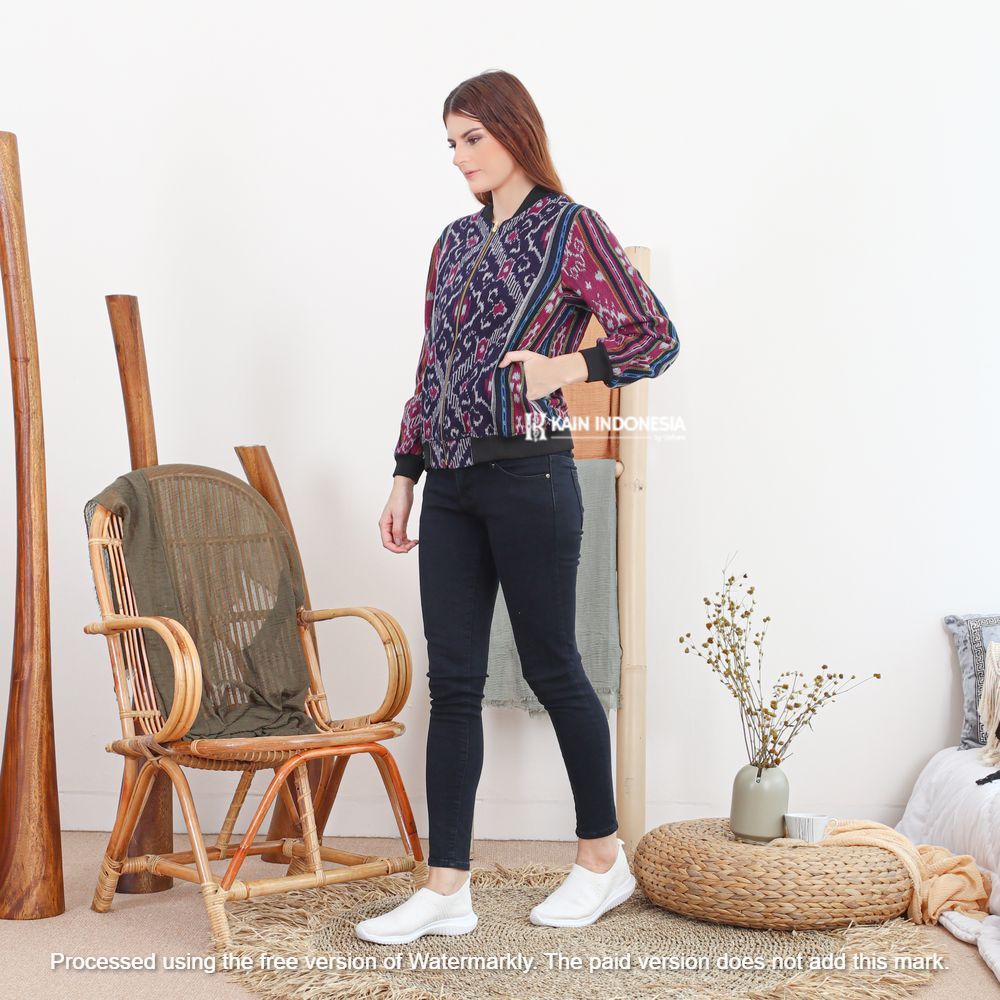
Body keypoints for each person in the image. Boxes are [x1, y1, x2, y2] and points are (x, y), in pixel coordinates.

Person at [357, 69, 680, 945]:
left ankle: (602, 860)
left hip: (532, 479)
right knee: (453, 682)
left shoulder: (573, 228)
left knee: (553, 667)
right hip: (451, 485)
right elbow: (433, 366)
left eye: (473, 138)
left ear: (514, 131)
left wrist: (567, 367)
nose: (460, 157)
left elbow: (654, 335)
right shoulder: (453, 242)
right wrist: (404, 472)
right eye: (451, 142)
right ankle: (446, 888)